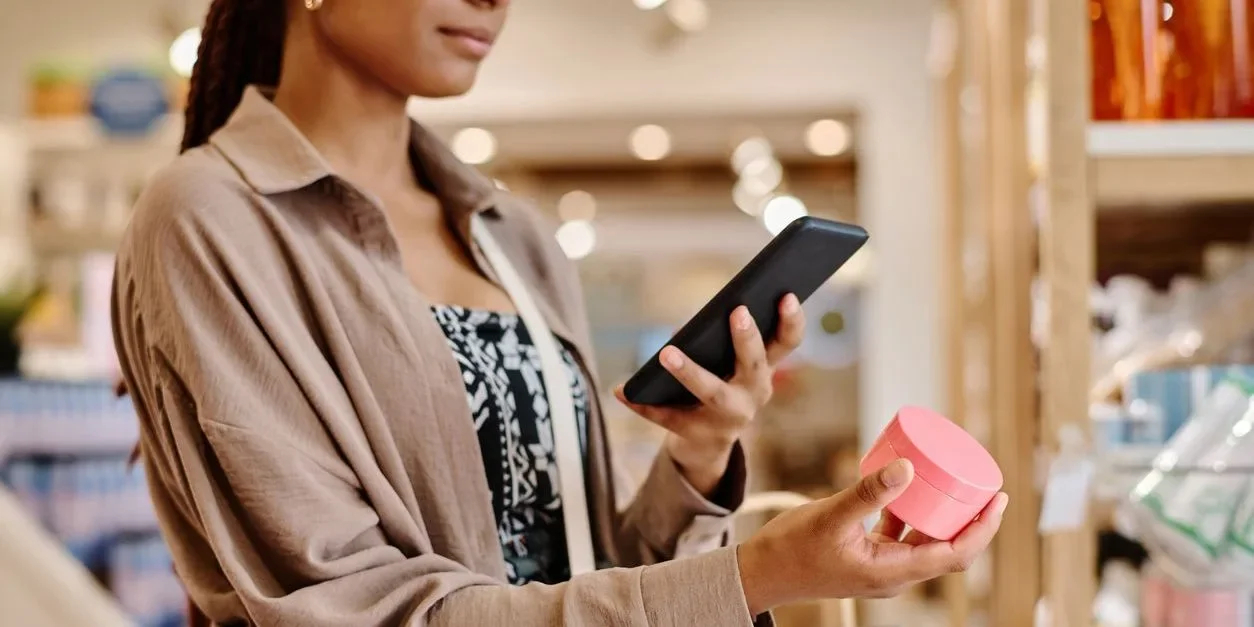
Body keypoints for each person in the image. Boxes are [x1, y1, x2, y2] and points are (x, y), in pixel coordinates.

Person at [110, 0, 1009, 625]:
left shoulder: (515, 236)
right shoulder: (211, 221)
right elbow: (359, 610)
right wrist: (759, 572)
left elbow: (587, 568)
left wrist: (696, 461)